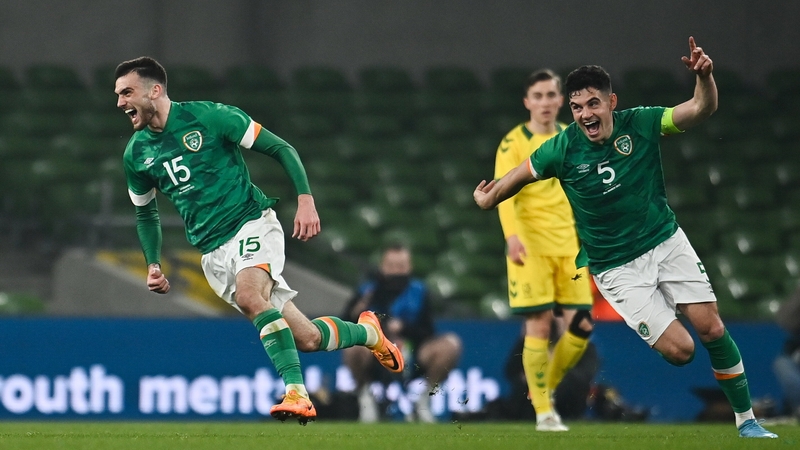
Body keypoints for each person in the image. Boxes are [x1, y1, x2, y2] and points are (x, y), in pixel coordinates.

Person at [473, 37, 777, 438]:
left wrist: (705, 78)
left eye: (593, 104)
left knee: (712, 329)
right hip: (616, 267)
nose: (585, 114)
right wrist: (488, 198)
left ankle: (747, 421)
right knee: (681, 351)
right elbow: (518, 176)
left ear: (611, 102)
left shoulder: (643, 122)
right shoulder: (561, 149)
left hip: (666, 242)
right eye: (577, 107)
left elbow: (702, 108)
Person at [114, 56, 404, 425]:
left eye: (127, 93)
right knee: (308, 338)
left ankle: (297, 393)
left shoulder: (212, 117)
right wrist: (153, 263)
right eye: (118, 95)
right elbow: (145, 213)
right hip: (212, 253)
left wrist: (305, 200)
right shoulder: (136, 154)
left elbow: (282, 149)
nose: (120, 103)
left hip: (251, 224)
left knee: (252, 297)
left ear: (155, 90)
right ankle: (368, 332)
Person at [493, 69, 594, 431]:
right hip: (530, 246)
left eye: (552, 95)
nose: (546, 102)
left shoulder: (573, 135)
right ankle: (544, 412)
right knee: (538, 325)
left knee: (581, 327)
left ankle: (542, 391)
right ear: (527, 102)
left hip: (569, 247)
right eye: (538, 96)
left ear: (560, 100)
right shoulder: (512, 143)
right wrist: (511, 235)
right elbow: (503, 190)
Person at [341, 244, 462, 423]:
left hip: (413, 353)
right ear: (382, 266)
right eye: (391, 266)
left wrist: (404, 328)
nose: (396, 271)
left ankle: (423, 401)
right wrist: (357, 311)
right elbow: (345, 325)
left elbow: (428, 331)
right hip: (376, 352)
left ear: (409, 267)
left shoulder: (419, 291)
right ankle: (366, 399)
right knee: (352, 348)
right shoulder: (367, 290)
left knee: (451, 345)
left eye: (401, 266)